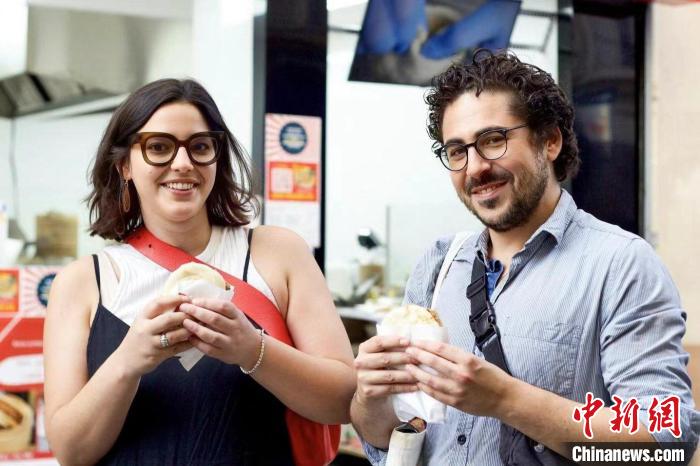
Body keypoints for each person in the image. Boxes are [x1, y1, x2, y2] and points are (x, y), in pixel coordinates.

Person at [350, 50, 700, 465]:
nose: (475, 168)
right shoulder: (439, 265)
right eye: (457, 151)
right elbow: (389, 434)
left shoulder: (621, 264)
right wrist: (371, 396)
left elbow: (666, 442)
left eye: (493, 140)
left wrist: (505, 399)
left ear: (549, 140)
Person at [43, 79, 356, 465]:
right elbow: (71, 453)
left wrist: (252, 350)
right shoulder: (82, 283)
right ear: (124, 164)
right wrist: (128, 360)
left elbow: (345, 400)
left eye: (200, 147)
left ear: (217, 158)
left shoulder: (279, 253)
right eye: (159, 147)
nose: (182, 163)